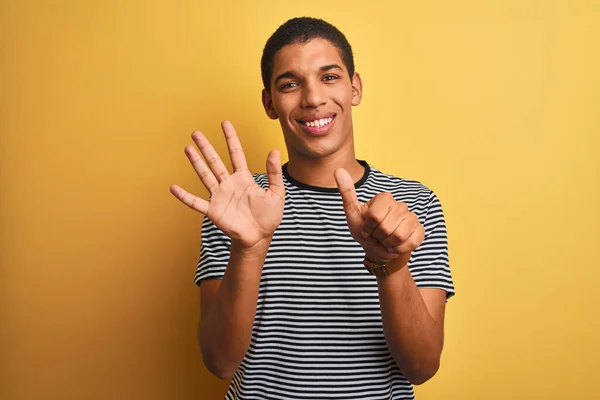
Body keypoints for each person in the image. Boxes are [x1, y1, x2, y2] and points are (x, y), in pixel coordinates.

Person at [170, 16, 455, 400]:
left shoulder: (415, 204)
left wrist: (390, 264)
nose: (313, 98)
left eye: (329, 77)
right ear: (270, 103)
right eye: (290, 84)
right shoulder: (236, 204)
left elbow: (421, 367)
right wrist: (249, 249)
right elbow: (220, 362)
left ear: (354, 88)